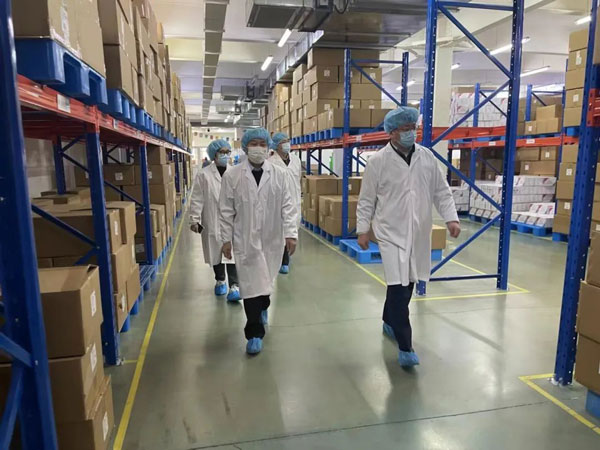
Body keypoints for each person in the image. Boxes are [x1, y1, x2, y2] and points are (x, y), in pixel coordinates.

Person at [356, 106, 461, 367]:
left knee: (409, 280)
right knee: (398, 286)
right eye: (405, 129)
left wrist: (451, 218)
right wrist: (362, 229)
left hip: (418, 232)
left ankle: (388, 320)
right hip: (390, 232)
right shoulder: (378, 161)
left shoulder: (427, 157)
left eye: (413, 128)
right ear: (392, 132)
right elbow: (367, 199)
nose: (411, 133)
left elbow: (441, 191)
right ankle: (406, 346)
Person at [219, 128, 298, 355]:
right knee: (250, 286)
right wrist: (226, 240)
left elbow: (289, 206)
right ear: (245, 147)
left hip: (272, 239)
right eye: (254, 143)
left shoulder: (279, 174)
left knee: (264, 284)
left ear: (268, 147)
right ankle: (254, 332)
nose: (258, 148)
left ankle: (264, 305)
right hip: (245, 240)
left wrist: (291, 233)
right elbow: (225, 210)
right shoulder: (233, 175)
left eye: (263, 144)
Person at [190, 139, 241, 302]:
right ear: (214, 155)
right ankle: (220, 280)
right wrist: (194, 219)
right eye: (222, 152)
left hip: (232, 219)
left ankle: (234, 285)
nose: (225, 155)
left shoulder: (236, 173)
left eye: (227, 152)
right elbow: (197, 198)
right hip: (212, 217)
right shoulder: (204, 175)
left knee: (232, 252)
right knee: (215, 251)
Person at [268, 132, 302, 274]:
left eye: (287, 140)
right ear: (276, 145)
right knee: (280, 232)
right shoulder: (270, 162)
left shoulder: (296, 160)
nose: (287, 144)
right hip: (278, 203)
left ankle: (286, 257)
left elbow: (298, 179)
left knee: (292, 230)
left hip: (295, 201)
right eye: (283, 141)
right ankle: (283, 260)